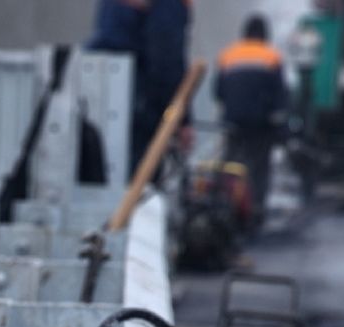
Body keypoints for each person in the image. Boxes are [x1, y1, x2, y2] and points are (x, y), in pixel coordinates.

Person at [87, 0, 193, 171]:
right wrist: (180, 120)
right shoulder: (169, 5)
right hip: (136, 102)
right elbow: (166, 59)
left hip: (96, 87)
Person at [215, 15, 288, 228]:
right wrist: (280, 125)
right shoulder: (271, 57)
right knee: (258, 168)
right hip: (260, 124)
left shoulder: (228, 55)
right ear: (265, 35)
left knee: (231, 164)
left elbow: (218, 91)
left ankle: (226, 207)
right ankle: (255, 212)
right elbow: (280, 97)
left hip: (233, 121)